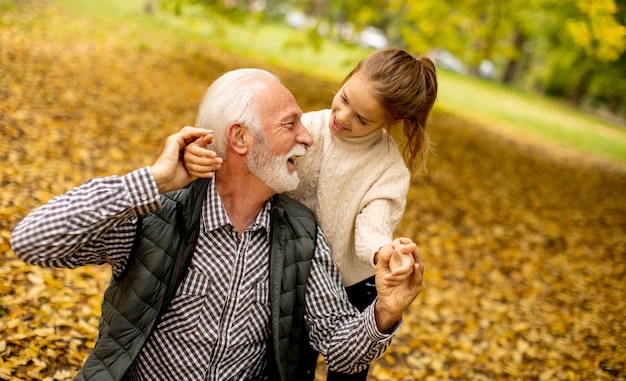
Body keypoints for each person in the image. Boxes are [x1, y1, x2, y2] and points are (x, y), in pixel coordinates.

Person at [10, 68, 425, 381]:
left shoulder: (303, 235)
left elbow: (342, 353)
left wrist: (385, 310)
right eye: (290, 124)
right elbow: (33, 240)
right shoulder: (158, 213)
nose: (310, 136)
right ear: (241, 139)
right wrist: (152, 181)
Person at [185, 49, 437, 380]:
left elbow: (372, 227)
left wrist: (383, 252)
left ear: (393, 122)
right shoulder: (308, 129)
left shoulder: (389, 170)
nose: (343, 117)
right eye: (344, 98)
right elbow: (254, 164)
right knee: (291, 359)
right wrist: (199, 155)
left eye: (362, 119)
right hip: (294, 265)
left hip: (353, 281)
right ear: (347, 78)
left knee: (348, 367)